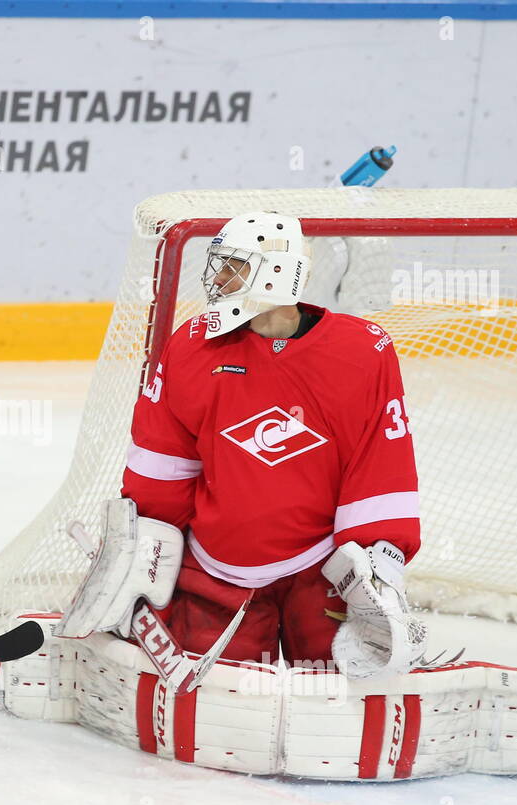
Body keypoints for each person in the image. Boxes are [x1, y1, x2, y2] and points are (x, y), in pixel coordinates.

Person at [64, 211, 425, 679]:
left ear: (276, 274)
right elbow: (164, 461)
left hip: (323, 569)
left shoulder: (362, 351)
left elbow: (380, 463)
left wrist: (380, 560)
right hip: (219, 567)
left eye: (233, 266)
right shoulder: (192, 347)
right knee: (217, 700)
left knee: (335, 695)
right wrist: (143, 548)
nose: (218, 278)